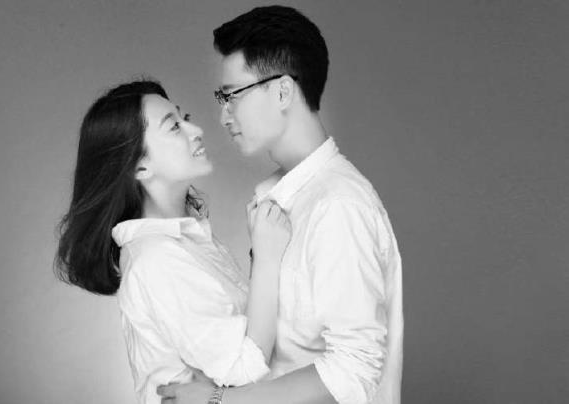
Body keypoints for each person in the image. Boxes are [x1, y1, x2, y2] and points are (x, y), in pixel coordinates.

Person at [158, 5, 403, 404]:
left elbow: (354, 371)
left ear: (283, 91)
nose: (222, 116)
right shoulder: (280, 198)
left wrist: (219, 401)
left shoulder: (338, 205)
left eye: (231, 96)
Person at [55, 80, 291, 404]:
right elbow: (245, 366)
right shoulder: (157, 258)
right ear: (139, 166)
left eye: (185, 117)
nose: (196, 130)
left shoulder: (184, 239)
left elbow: (244, 333)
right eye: (174, 127)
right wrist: (267, 258)